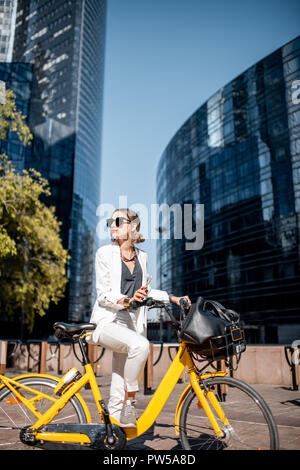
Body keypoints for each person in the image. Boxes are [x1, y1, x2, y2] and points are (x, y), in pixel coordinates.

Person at [88, 208, 191, 427]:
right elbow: (104, 294)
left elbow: (146, 291)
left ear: (133, 226)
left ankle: (114, 429)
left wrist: (173, 299)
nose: (112, 225)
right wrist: (128, 300)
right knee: (141, 346)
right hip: (108, 321)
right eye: (110, 221)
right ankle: (130, 402)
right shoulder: (104, 253)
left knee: (119, 376)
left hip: (131, 322)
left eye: (118, 220)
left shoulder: (142, 257)